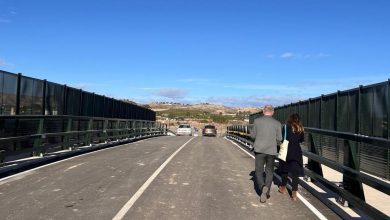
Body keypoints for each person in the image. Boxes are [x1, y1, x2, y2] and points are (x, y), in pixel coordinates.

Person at [250, 105, 282, 203]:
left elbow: (253, 136)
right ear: (272, 112)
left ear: (263, 112)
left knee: (259, 171)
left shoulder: (257, 121)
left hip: (259, 150)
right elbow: (279, 139)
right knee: (269, 172)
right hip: (271, 151)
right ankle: (266, 191)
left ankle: (262, 186)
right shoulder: (277, 123)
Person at [278, 113, 305, 201]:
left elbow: (282, 138)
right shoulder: (300, 128)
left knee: (285, 170)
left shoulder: (285, 127)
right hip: (296, 152)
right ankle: (294, 195)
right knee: (295, 173)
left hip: (287, 151)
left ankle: (282, 187)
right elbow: (301, 140)